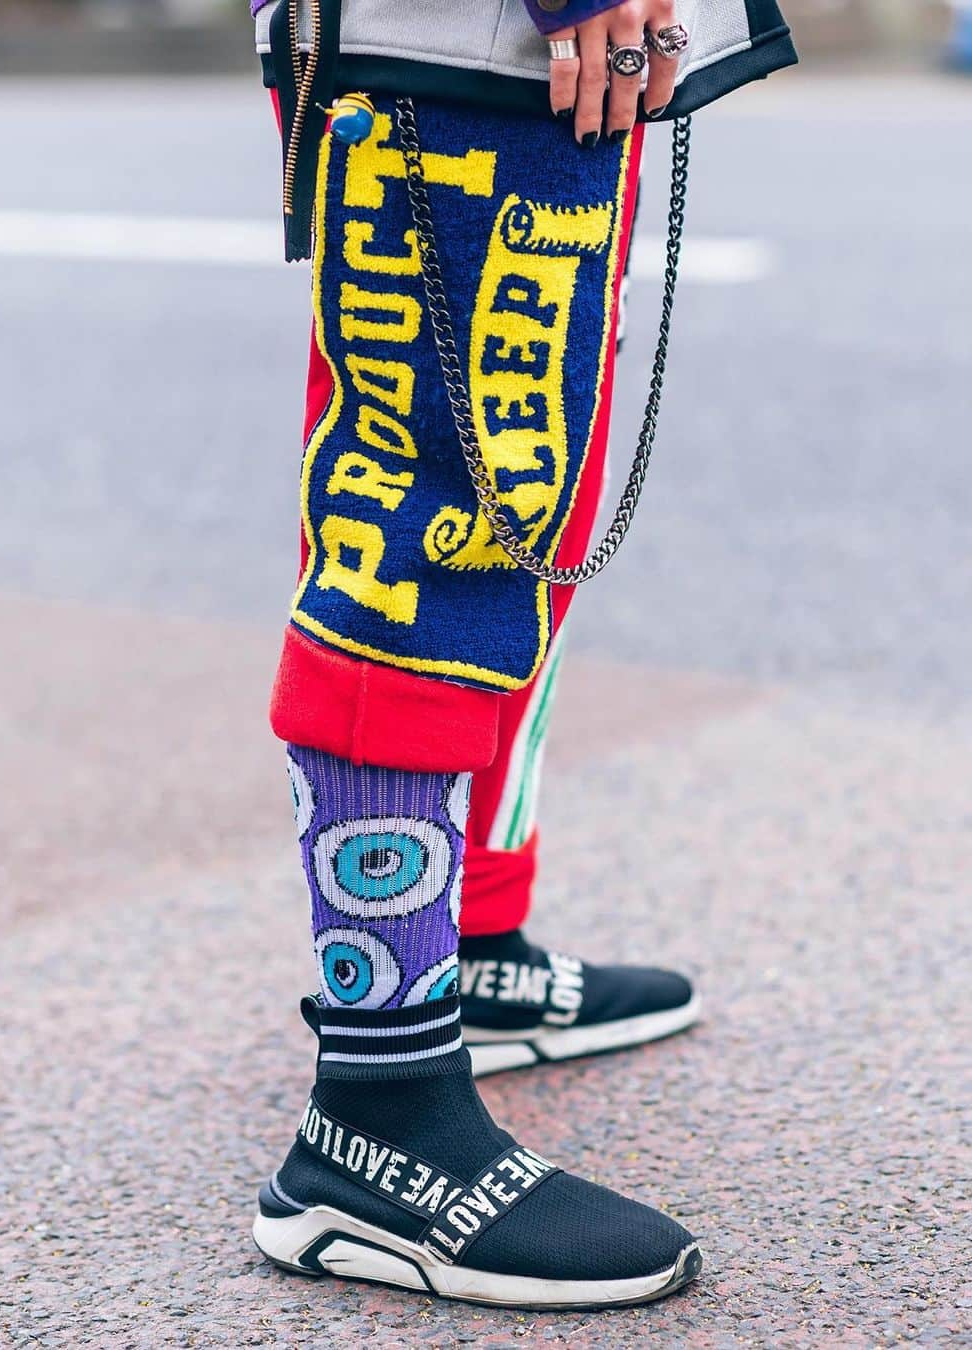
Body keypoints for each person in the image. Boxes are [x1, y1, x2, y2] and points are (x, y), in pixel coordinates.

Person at [250, 0, 795, 1310]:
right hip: (461, 36)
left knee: (528, 493)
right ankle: (378, 1102)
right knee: (429, 523)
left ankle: (468, 940)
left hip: (516, 45)